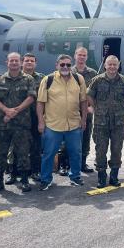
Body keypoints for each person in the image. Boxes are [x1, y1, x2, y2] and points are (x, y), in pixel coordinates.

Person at [37, 54, 88, 190]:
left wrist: (83, 119)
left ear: (71, 66)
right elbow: (40, 102)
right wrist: (41, 122)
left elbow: (83, 101)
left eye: (68, 65)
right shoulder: (48, 80)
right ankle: (46, 179)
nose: (65, 67)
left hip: (74, 124)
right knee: (49, 154)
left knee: (76, 152)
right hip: (53, 125)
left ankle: (75, 177)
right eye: (62, 64)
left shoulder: (79, 79)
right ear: (57, 65)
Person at [0, 52, 36, 193]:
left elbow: (31, 97)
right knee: (0, 153)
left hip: (22, 124)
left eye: (16, 61)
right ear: (6, 62)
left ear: (20, 62)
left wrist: (15, 111)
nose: (14, 63)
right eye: (11, 61)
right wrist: (6, 110)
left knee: (23, 153)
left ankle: (25, 181)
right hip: (3, 124)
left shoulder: (28, 79)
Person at [87, 55, 124, 188]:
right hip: (101, 123)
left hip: (118, 123)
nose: (112, 67)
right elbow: (89, 95)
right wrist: (97, 107)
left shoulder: (123, 80)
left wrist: (118, 107)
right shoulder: (97, 80)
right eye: (109, 64)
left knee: (117, 150)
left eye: (115, 65)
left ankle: (114, 176)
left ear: (118, 66)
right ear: (105, 65)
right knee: (100, 150)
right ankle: (101, 176)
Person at [70, 47, 97, 173]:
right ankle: (67, 165)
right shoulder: (68, 71)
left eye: (84, 55)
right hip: (71, 111)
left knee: (85, 137)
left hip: (86, 112)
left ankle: (83, 163)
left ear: (87, 57)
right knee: (69, 137)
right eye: (79, 55)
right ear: (75, 56)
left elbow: (96, 92)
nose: (81, 57)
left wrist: (92, 107)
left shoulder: (93, 73)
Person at [21, 53, 45, 181]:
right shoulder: (15, 77)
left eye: (31, 61)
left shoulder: (42, 79)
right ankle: (15, 172)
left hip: (35, 116)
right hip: (19, 117)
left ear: (35, 63)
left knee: (36, 145)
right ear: (22, 63)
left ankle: (35, 171)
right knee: (17, 146)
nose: (29, 63)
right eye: (26, 61)